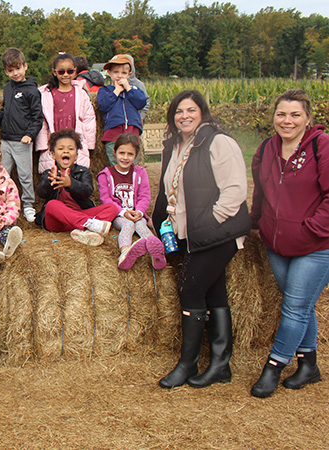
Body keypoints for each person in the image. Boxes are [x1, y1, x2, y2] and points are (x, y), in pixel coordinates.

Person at [152, 89, 251, 389]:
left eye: (191, 110)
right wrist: (160, 223)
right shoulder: (175, 145)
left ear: (202, 112)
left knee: (191, 289)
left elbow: (235, 190)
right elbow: (168, 190)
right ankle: (221, 365)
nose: (185, 116)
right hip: (191, 233)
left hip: (217, 233)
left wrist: (209, 222)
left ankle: (188, 363)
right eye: (179, 111)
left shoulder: (218, 142)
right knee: (214, 291)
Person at [248, 89, 329, 398]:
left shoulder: (321, 146)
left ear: (308, 118)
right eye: (281, 114)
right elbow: (260, 191)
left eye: (295, 114)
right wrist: (255, 223)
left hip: (316, 246)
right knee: (301, 304)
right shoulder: (267, 148)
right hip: (276, 244)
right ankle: (309, 364)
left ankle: (274, 365)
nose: (287, 120)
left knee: (294, 307)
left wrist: (311, 229)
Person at [0, 47, 42, 223]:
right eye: (10, 70)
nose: (15, 73)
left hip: (22, 141)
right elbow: (5, 111)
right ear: (5, 71)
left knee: (25, 175)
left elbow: (37, 117)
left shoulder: (32, 91)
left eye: (18, 68)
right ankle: (0, 203)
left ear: (25, 66)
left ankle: (28, 205)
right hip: (6, 139)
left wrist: (30, 135)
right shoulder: (8, 88)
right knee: (3, 174)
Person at [35, 129, 117, 246]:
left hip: (79, 212)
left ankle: (84, 229)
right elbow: (41, 193)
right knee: (52, 205)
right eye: (61, 149)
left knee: (112, 208)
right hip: (57, 221)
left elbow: (87, 191)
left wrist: (71, 183)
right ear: (53, 154)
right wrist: (50, 182)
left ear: (76, 155)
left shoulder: (83, 172)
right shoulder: (49, 173)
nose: (66, 151)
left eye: (71, 149)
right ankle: (89, 225)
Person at [97, 133, 165, 270]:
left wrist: (140, 211)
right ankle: (125, 252)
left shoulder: (140, 172)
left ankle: (156, 253)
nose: (125, 157)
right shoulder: (105, 174)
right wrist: (123, 212)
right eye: (122, 153)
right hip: (119, 215)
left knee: (141, 225)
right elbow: (106, 200)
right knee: (128, 224)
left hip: (137, 213)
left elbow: (144, 195)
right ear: (114, 152)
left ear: (136, 156)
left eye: (130, 154)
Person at [36, 53, 96, 173]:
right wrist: (42, 145)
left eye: (70, 71)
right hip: (53, 140)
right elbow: (41, 121)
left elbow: (89, 119)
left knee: (76, 175)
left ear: (75, 71)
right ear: (54, 72)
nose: (66, 75)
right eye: (61, 72)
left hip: (75, 139)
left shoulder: (81, 93)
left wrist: (90, 144)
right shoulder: (46, 94)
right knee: (53, 176)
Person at [97, 54, 147, 166]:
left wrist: (128, 88)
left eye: (124, 73)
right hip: (113, 134)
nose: (120, 76)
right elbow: (103, 105)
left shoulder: (134, 90)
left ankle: (133, 183)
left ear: (129, 75)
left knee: (132, 164)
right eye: (116, 72)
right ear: (109, 73)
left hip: (132, 132)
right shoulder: (105, 90)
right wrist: (116, 91)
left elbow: (141, 102)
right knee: (116, 164)